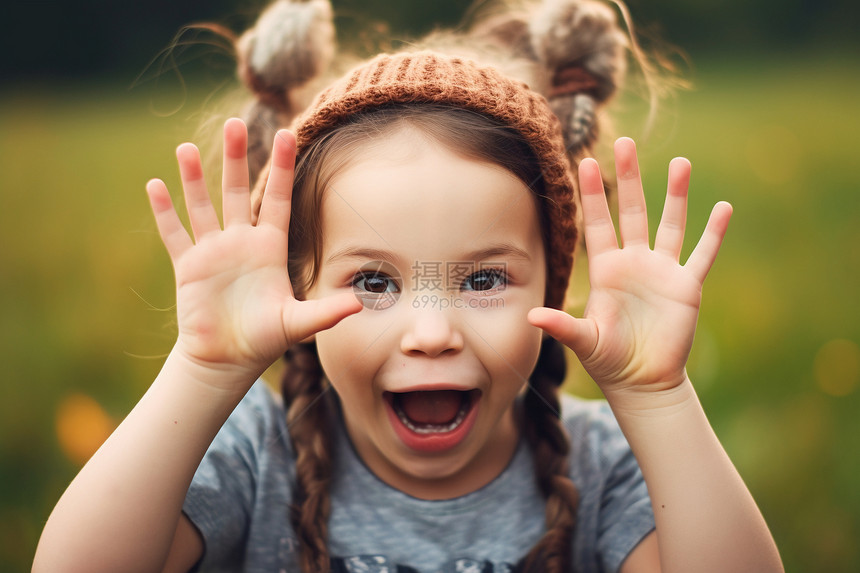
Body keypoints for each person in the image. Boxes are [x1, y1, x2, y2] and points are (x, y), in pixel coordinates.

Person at [33, 0, 783, 571]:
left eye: (485, 277)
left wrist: (658, 398)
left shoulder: (605, 467)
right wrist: (201, 371)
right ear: (298, 289)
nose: (431, 332)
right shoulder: (254, 457)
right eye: (373, 281)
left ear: (552, 285)